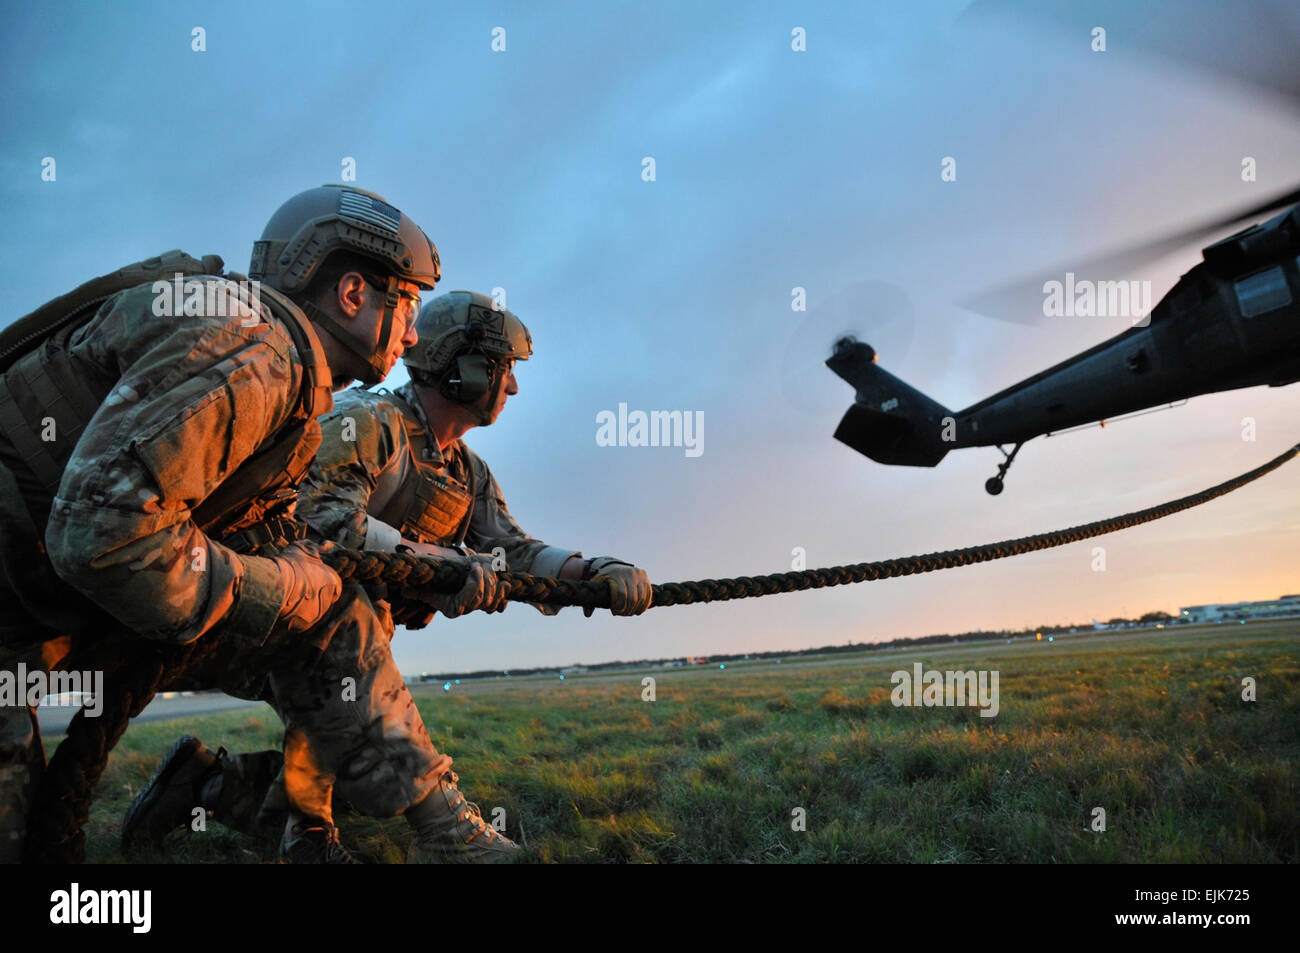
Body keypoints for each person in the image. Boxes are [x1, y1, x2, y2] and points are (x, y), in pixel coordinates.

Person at [0, 184, 500, 863]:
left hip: (31, 614)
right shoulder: (257, 350)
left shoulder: (269, 362)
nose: (414, 331)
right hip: (33, 613)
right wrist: (281, 586)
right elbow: (102, 536)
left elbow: (269, 535)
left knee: (332, 615)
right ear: (353, 294)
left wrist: (414, 570)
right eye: (406, 302)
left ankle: (424, 828)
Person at [126, 290, 653, 862]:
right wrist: (446, 565)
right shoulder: (367, 422)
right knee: (352, 647)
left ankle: (206, 788)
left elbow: (511, 551)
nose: (514, 387)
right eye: (505, 370)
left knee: (364, 774)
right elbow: (319, 521)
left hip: (338, 645)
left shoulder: (465, 471)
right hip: (252, 617)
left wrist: (593, 573)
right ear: (464, 366)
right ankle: (443, 827)